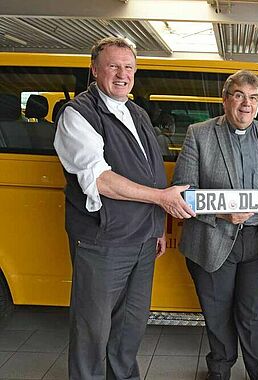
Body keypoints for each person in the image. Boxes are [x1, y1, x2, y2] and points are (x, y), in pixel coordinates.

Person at [53, 37, 194, 379]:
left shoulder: (136, 112)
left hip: (143, 241)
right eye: (113, 66)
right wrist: (162, 200)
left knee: (130, 327)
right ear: (94, 69)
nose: (122, 74)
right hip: (104, 243)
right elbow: (100, 179)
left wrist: (158, 227)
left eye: (128, 67)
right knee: (93, 331)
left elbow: (153, 173)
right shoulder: (78, 114)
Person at [172, 70, 258, 380]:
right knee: (217, 313)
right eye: (239, 96)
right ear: (225, 99)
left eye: (253, 98)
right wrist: (222, 213)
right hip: (213, 238)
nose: (245, 105)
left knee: (255, 315)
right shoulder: (199, 134)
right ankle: (220, 369)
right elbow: (183, 191)